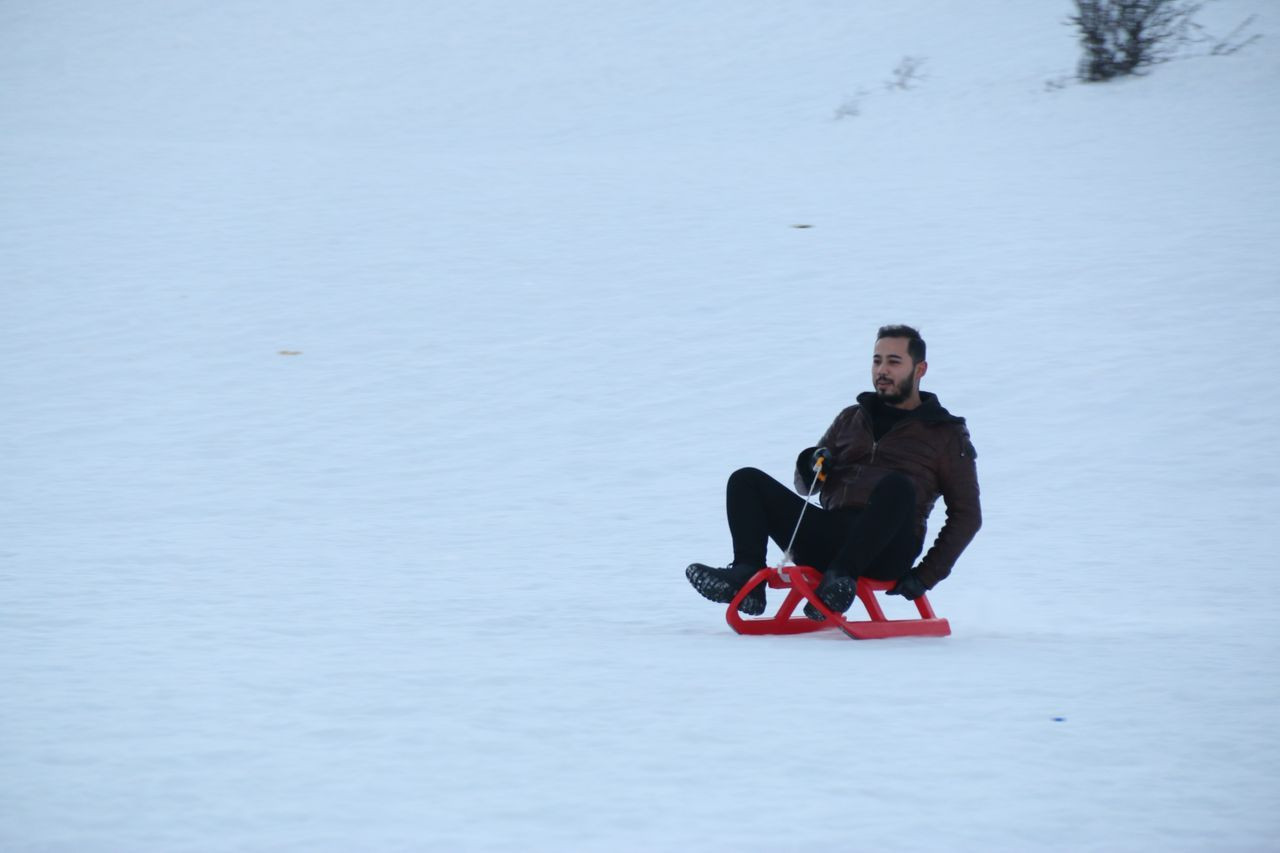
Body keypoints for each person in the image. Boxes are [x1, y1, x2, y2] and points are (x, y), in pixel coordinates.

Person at [686, 324, 981, 619]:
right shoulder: (852, 418)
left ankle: (840, 582)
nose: (882, 370)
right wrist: (811, 461)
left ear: (920, 369)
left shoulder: (945, 434)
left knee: (897, 486)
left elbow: (967, 514)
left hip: (888, 547)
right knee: (745, 480)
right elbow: (808, 485)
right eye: (877, 360)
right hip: (831, 534)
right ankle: (747, 577)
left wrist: (925, 576)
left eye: (894, 361)